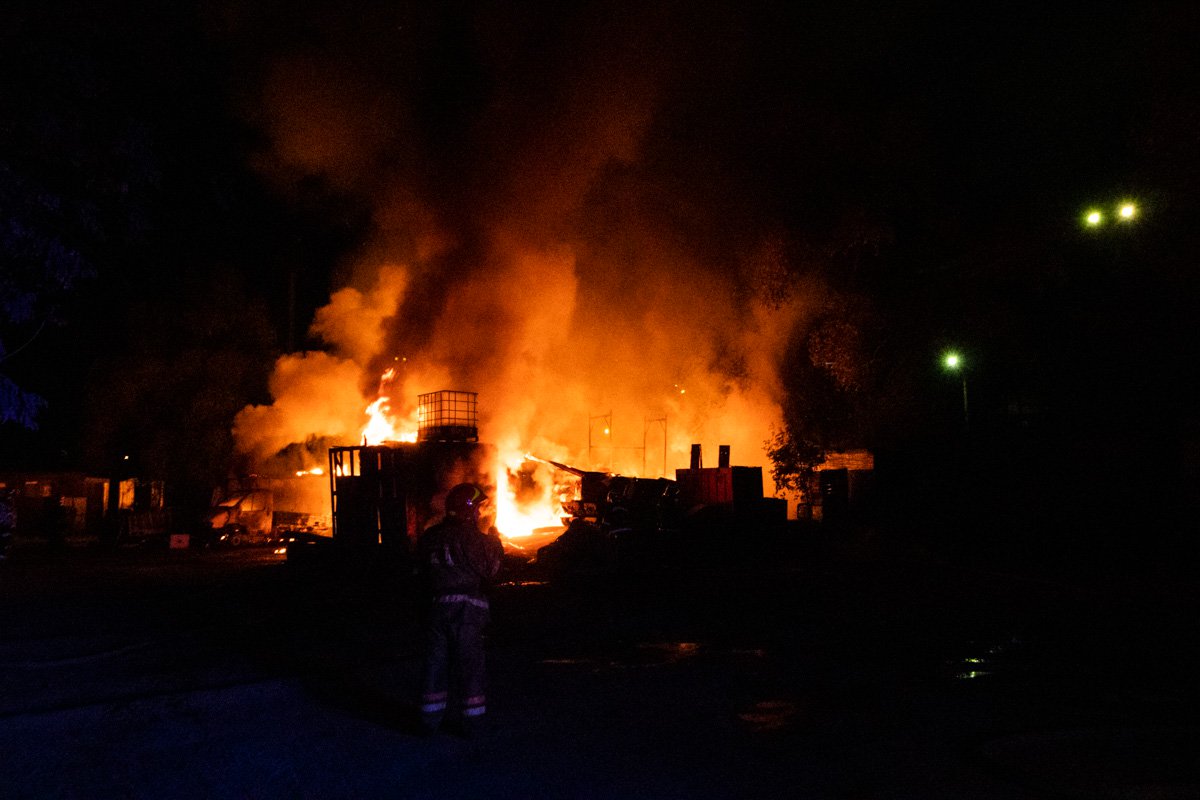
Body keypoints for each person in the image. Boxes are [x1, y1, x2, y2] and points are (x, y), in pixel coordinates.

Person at [417, 482, 504, 736]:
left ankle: (428, 721)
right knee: (470, 667)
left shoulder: (430, 537)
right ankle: (473, 724)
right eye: (477, 508)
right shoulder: (475, 539)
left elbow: (420, 574)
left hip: (435, 611)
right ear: (468, 510)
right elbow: (492, 571)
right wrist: (495, 540)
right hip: (466, 613)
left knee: (434, 666)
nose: (479, 513)